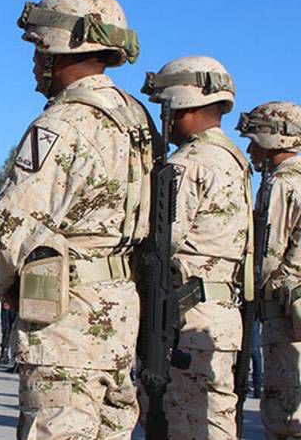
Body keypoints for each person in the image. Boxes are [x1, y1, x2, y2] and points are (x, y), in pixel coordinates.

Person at [0, 0, 151, 438]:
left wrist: (5, 283)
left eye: (39, 47)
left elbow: (6, 227)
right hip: (118, 317)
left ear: (62, 47)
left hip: (65, 321)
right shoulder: (137, 120)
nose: (35, 61)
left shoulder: (62, 122)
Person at [140, 56, 250, 439]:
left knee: (181, 423)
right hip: (220, 317)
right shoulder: (235, 161)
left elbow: (159, 242)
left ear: (180, 104)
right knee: (215, 420)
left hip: (185, 318)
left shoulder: (188, 163)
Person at [238, 101, 301, 437]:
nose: (250, 148)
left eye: (255, 139)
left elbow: (266, 256)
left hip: (284, 312)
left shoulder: (281, 184)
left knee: (283, 415)